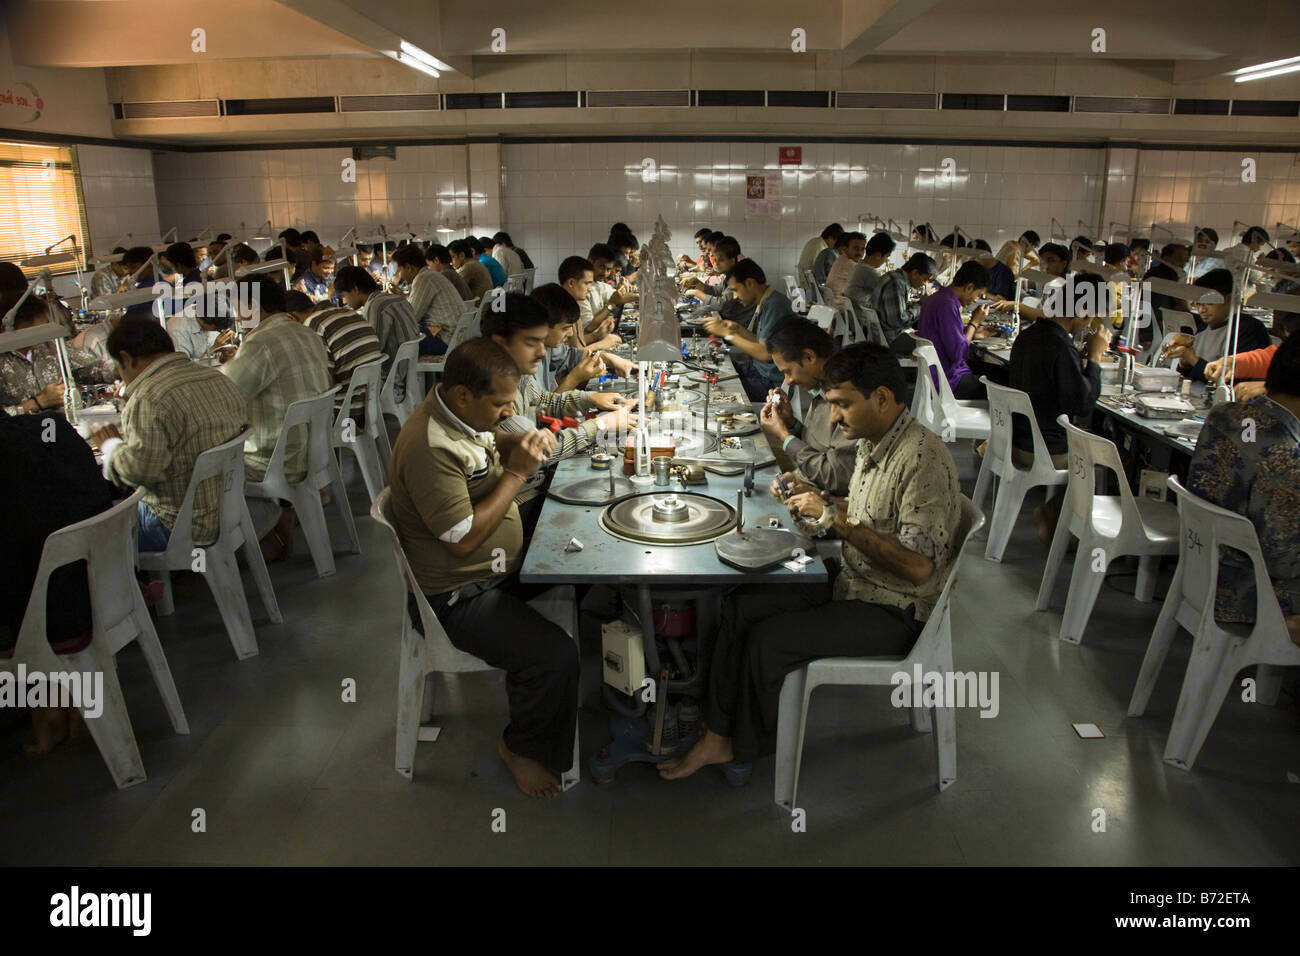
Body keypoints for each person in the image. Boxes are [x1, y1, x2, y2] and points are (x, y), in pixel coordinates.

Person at [659, 344, 962, 780]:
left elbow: (917, 567)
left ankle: (738, 746)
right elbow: (865, 516)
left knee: (769, 640)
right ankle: (718, 729)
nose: (834, 418)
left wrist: (837, 519)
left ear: (880, 397)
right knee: (742, 603)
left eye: (842, 405)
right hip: (857, 580)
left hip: (897, 610)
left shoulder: (921, 458)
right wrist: (816, 499)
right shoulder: (876, 441)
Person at [389, 338, 578, 797]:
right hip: (456, 595)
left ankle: (568, 692)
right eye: (500, 404)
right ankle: (521, 748)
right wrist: (515, 474)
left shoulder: (456, 416)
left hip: (492, 566)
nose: (505, 411)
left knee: (581, 556)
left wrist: (518, 440)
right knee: (554, 655)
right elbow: (463, 541)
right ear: (462, 395)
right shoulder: (429, 445)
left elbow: (488, 438)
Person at [1, 410, 114, 753]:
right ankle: (56, 697)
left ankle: (44, 705)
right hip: (104, 595)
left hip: (44, 617)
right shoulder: (54, 429)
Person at [89, 315, 249, 553]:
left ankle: (140, 588)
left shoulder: (148, 398)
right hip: (231, 510)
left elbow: (140, 473)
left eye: (117, 367)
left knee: (92, 532)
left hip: (180, 526)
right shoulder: (217, 377)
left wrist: (111, 446)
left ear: (126, 358)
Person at [1187, 332, 1300, 646]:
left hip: (1200, 568)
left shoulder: (1224, 415)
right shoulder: (1287, 455)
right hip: (1243, 596)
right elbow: (1284, 563)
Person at [484, 294, 635, 517]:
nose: (542, 352)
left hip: (535, 482)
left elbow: (546, 401)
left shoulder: (519, 375)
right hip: (522, 499)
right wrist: (600, 426)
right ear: (500, 342)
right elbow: (540, 451)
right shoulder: (492, 391)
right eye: (531, 343)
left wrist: (592, 399)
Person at [220, 278, 333, 559]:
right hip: (312, 452)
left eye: (237, 307)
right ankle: (282, 514)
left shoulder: (260, 342)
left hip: (275, 461)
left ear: (252, 305)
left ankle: (264, 530)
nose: (235, 315)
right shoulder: (306, 332)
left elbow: (225, 395)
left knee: (205, 467)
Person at [1008, 273, 1112, 544]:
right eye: (1089, 318)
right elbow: (1083, 404)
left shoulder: (1028, 336)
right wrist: (1096, 358)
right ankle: (1060, 517)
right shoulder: (1059, 346)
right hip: (1044, 450)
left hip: (1017, 440)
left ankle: (1056, 513)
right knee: (1114, 461)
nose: (1088, 325)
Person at [760, 316, 857, 495]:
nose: (787, 382)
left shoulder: (845, 395)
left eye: (788, 371)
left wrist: (784, 436)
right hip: (809, 479)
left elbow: (836, 477)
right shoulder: (820, 387)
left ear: (809, 356)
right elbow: (818, 446)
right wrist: (791, 424)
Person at [0, 295, 116, 416]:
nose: (46, 333)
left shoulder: (50, 347)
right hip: (23, 432)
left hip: (64, 425)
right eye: (40, 328)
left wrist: (121, 369)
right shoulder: (3, 361)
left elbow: (91, 368)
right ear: (18, 327)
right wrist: (38, 402)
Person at [702, 259, 792, 400]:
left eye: (736, 290)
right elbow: (763, 341)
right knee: (712, 373)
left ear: (750, 283)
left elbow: (765, 353)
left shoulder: (775, 305)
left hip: (770, 383)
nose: (735, 297)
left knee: (713, 391)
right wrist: (738, 329)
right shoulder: (766, 300)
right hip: (757, 370)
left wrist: (729, 335)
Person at [1162, 268, 1270, 381]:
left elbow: (1231, 380)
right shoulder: (1205, 326)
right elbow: (1191, 375)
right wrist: (1185, 363)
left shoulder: (1247, 329)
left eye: (1209, 303)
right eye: (1198, 304)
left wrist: (1192, 359)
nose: (1201, 310)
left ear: (1227, 298)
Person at [287, 293, 385, 416]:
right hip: (374, 400)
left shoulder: (312, 325)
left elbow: (322, 383)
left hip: (346, 411)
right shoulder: (349, 313)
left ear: (291, 317)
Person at [915, 260, 995, 400]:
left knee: (993, 372)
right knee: (1003, 385)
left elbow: (944, 335)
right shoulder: (947, 305)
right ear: (969, 287)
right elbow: (959, 354)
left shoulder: (938, 298)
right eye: (978, 294)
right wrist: (974, 323)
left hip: (935, 375)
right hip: (948, 381)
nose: (976, 300)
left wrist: (973, 334)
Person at [333, 265, 420, 376]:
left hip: (392, 373)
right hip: (409, 367)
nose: (344, 301)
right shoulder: (395, 299)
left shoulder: (376, 306)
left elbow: (373, 349)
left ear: (355, 289)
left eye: (344, 295)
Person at [392, 244, 462, 356]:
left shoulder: (423, 279)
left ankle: (398, 373)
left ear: (409, 268)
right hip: (455, 336)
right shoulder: (430, 275)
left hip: (446, 340)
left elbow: (411, 317)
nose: (399, 275)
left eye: (399, 270)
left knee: (396, 337)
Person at [871, 252, 939, 351]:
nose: (925, 284)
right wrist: (921, 304)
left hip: (885, 334)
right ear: (915, 273)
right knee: (936, 346)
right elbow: (899, 320)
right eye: (925, 279)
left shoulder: (895, 277)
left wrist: (916, 303)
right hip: (891, 339)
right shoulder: (896, 283)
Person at [842, 232, 895, 318]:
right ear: (878, 255)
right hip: (860, 319)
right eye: (886, 257)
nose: (886, 260)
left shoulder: (859, 267)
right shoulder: (867, 271)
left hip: (852, 317)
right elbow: (889, 291)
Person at [825, 231, 866, 305]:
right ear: (845, 248)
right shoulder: (850, 264)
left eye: (863, 249)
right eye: (856, 248)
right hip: (841, 309)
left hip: (833, 305)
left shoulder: (841, 260)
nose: (860, 253)